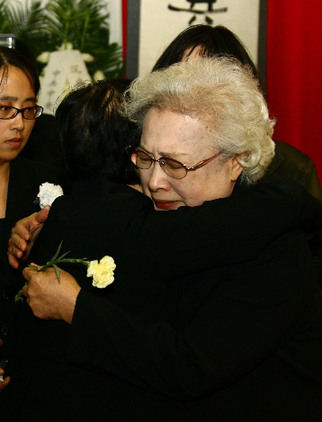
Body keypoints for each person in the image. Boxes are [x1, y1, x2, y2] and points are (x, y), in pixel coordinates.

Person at [5, 57, 322, 421]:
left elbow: (190, 367)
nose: (154, 181)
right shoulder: (161, 225)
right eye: (146, 158)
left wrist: (78, 309)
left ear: (237, 161)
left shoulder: (276, 252)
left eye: (175, 165)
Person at [152, 24, 322, 202]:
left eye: (209, 82)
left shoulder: (290, 169)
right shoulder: (142, 164)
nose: (195, 94)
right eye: (181, 80)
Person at [0, 46, 64, 396]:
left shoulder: (47, 183)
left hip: (36, 374)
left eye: (27, 110)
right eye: (5, 109)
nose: (19, 123)